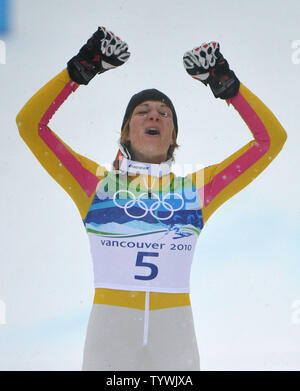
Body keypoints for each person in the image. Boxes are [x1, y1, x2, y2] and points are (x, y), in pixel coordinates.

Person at [16, 27, 287, 371]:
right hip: (110, 337)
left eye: (164, 112)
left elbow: (270, 141)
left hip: (174, 337)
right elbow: (29, 125)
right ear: (126, 131)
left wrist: (227, 87)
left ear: (173, 137)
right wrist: (78, 72)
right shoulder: (95, 186)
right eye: (143, 111)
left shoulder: (196, 191)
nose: (154, 115)